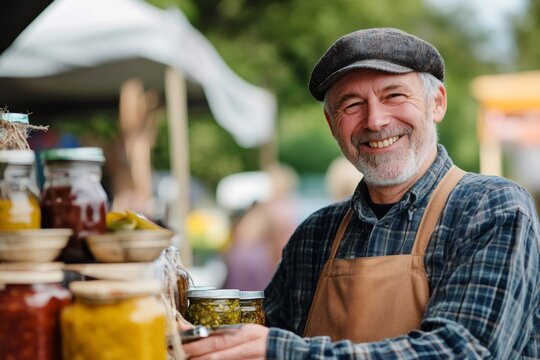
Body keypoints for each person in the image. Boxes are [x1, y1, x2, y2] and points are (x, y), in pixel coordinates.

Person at [182, 28, 540, 359]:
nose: (375, 121)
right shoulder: (315, 235)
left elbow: (464, 350)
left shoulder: (491, 209)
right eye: (352, 104)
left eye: (394, 95)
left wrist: (280, 351)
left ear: (438, 103)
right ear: (332, 125)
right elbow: (255, 339)